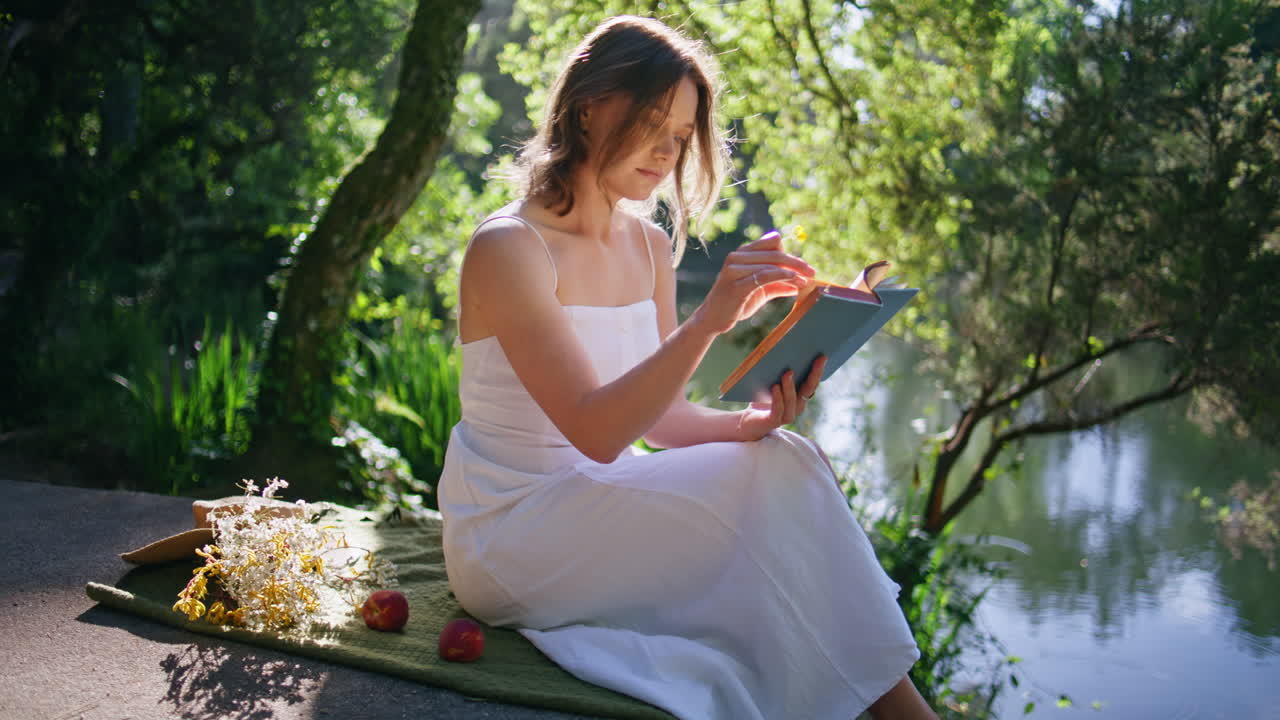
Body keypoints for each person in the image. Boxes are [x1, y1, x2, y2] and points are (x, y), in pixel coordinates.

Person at [438, 15, 934, 720]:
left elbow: (663, 424)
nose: (667, 152)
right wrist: (710, 321)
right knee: (779, 488)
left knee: (786, 456)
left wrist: (753, 423)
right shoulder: (510, 247)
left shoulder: (644, 244)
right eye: (650, 123)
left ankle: (891, 707)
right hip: (512, 531)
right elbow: (596, 432)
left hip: (600, 501)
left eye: (680, 136)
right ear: (588, 104)